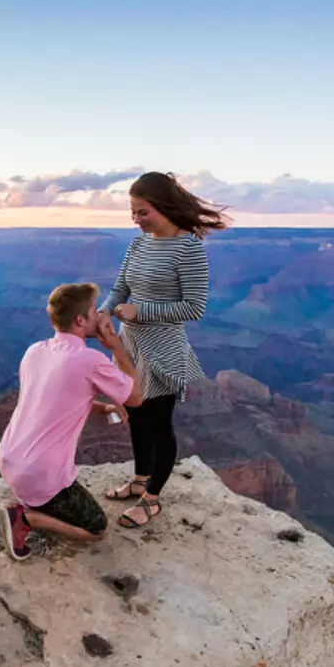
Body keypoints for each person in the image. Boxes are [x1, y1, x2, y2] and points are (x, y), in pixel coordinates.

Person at [99, 171, 228, 529]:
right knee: (135, 418)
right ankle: (139, 480)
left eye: (143, 212)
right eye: (133, 212)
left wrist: (143, 311)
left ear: (164, 207)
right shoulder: (138, 245)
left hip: (162, 350)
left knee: (158, 425)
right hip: (129, 346)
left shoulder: (189, 248)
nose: (136, 220)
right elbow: (120, 286)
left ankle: (152, 499)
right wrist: (104, 311)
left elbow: (194, 308)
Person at [0, 282, 143, 561]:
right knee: (97, 527)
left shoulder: (34, 351)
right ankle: (25, 519)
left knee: (45, 489)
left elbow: (50, 402)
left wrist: (99, 408)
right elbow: (135, 397)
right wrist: (115, 346)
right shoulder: (89, 359)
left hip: (8, 459)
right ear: (80, 320)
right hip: (40, 474)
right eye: (93, 312)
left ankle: (28, 501)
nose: (99, 317)